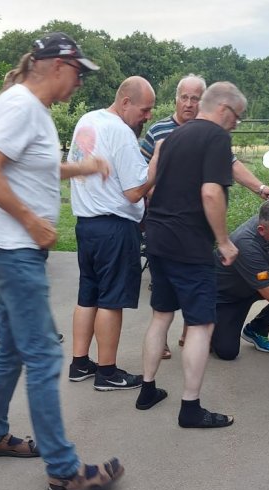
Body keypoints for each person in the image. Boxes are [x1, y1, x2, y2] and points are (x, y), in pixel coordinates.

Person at [0, 32, 124, 490]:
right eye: (78, 73)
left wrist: (84, 167)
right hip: (14, 247)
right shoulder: (21, 106)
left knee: (14, 350)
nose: (80, 82)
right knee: (43, 354)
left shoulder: (31, 107)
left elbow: (34, 166)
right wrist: (31, 220)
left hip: (11, 244)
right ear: (57, 66)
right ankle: (64, 470)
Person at [141, 74, 269, 358]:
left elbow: (231, 165)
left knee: (177, 308)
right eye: (184, 97)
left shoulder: (206, 133)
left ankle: (182, 342)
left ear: (203, 101)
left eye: (195, 98)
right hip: (174, 228)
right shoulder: (160, 131)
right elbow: (143, 172)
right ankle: (177, 355)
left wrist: (260, 187)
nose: (189, 103)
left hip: (183, 231)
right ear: (176, 99)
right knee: (180, 306)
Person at [135, 81, 245, 428]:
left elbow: (152, 184)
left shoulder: (173, 137)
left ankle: (147, 389)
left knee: (161, 316)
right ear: (224, 109)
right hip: (188, 244)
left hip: (158, 237)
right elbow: (211, 193)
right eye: (237, 117)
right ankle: (190, 408)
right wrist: (223, 241)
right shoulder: (216, 138)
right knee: (200, 324)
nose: (236, 124)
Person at [67, 76, 158, 390]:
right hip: (114, 227)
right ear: (125, 102)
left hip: (86, 224)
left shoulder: (87, 121)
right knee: (111, 301)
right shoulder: (120, 131)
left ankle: (80, 363)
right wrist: (157, 165)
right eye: (144, 110)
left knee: (88, 295)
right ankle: (107, 372)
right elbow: (134, 191)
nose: (147, 116)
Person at [211, 198, 269, 360]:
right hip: (227, 296)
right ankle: (207, 322)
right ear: (261, 230)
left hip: (257, 281)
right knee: (227, 352)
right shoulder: (246, 244)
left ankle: (257, 329)